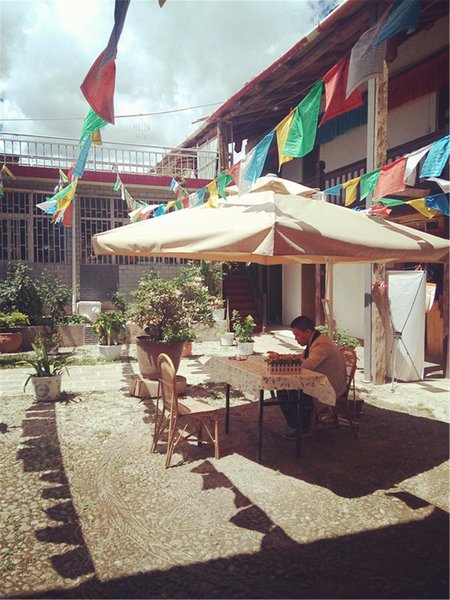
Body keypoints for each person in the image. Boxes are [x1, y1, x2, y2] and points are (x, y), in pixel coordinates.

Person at [277, 315, 347, 440]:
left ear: (308, 332)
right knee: (286, 388)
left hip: (330, 386)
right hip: (322, 380)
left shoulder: (321, 344)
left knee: (286, 389)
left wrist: (282, 362)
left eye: (297, 335)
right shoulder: (315, 340)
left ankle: (303, 427)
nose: (295, 338)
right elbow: (303, 357)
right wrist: (284, 357)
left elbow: (306, 365)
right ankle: (300, 425)